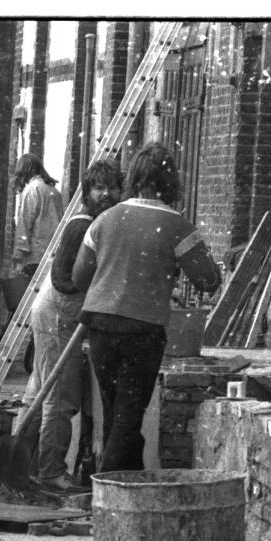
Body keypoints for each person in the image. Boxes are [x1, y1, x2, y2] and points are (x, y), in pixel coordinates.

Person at [73, 142, 221, 473]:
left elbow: (80, 276)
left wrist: (115, 276)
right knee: (128, 416)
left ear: (134, 177)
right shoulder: (176, 225)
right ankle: (106, 492)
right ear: (170, 182)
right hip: (142, 331)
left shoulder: (105, 219)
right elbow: (209, 280)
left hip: (100, 327)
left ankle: (132, 481)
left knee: (116, 413)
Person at [17, 160, 123, 493]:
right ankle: (50, 473)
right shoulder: (82, 225)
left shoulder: (100, 223)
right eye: (98, 188)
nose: (106, 194)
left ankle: (21, 464)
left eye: (112, 188)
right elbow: (64, 280)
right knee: (59, 398)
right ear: (87, 192)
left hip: (58, 314)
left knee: (39, 392)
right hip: (59, 314)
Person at [11, 153, 65, 277]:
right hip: (54, 252)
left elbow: (24, 224)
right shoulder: (54, 190)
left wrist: (18, 256)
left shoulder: (31, 190)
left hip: (34, 255)